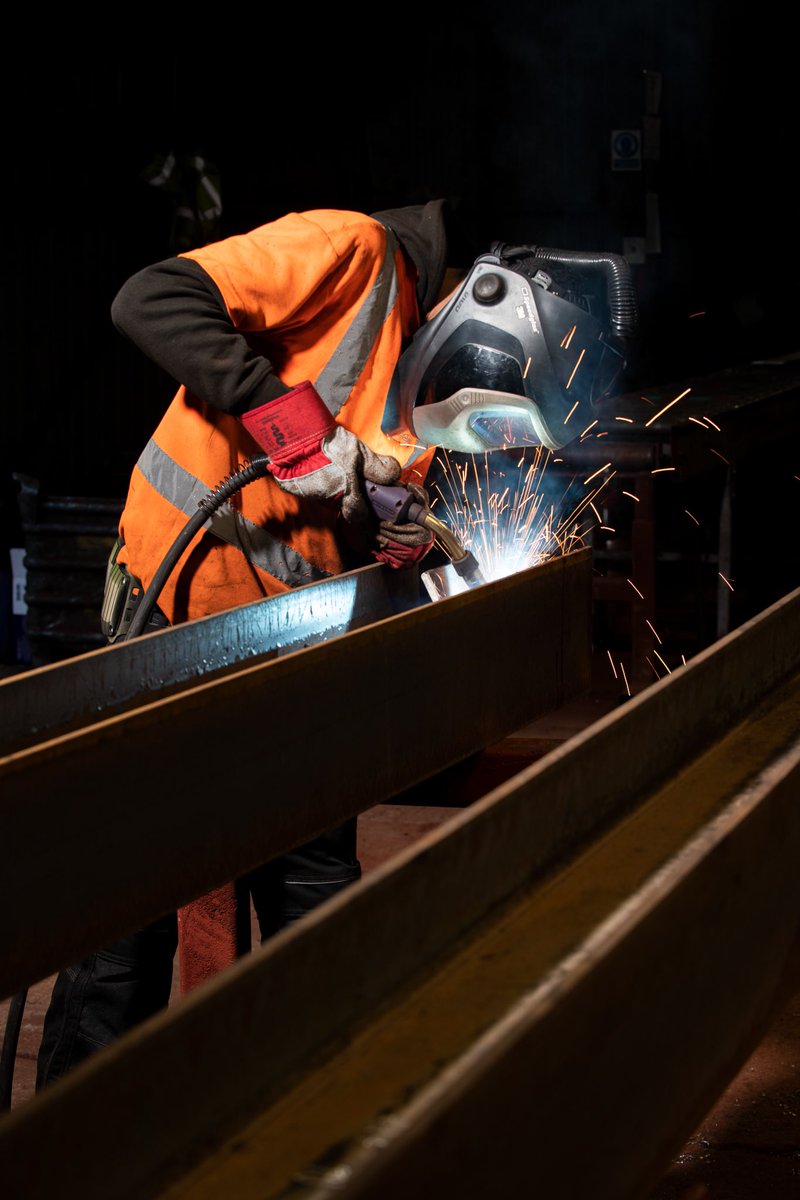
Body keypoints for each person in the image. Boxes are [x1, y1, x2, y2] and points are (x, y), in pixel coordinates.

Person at [36, 199, 634, 1087]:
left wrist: (395, 534)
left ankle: (318, 1137)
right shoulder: (347, 252)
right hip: (175, 618)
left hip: (299, 651)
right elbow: (147, 301)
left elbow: (351, 496)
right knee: (129, 924)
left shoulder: (434, 387)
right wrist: (289, 422)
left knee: (317, 906)